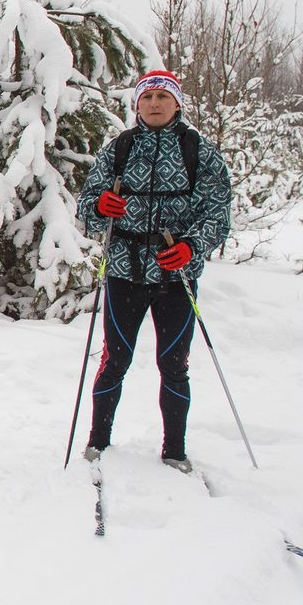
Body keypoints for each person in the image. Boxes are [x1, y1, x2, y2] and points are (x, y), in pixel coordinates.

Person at [75, 69, 233, 472]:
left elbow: (217, 212)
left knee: (174, 364)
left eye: (163, 96)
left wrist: (192, 246)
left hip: (175, 275)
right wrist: (99, 207)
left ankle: (175, 449)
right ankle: (98, 441)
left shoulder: (199, 151)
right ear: (137, 105)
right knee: (114, 359)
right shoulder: (120, 149)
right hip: (126, 269)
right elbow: (87, 204)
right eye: (147, 98)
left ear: (177, 102)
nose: (154, 104)